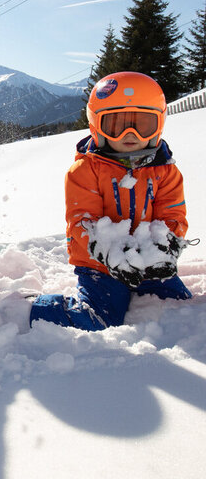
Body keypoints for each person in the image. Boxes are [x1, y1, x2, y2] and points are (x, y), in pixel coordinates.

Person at [29, 71, 192, 331]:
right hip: (100, 266)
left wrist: (164, 246)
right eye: (116, 125)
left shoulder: (166, 171)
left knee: (183, 310)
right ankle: (36, 308)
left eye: (143, 125)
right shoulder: (85, 170)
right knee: (99, 320)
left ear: (158, 125)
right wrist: (108, 252)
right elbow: (82, 219)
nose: (130, 134)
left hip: (149, 263)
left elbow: (173, 215)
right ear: (97, 126)